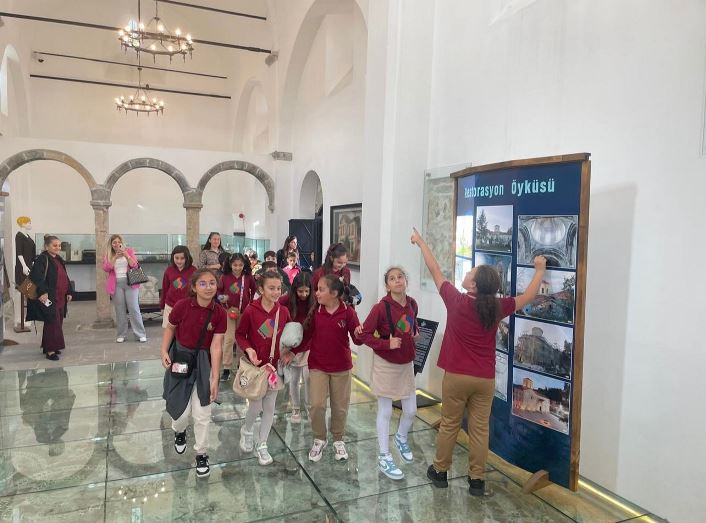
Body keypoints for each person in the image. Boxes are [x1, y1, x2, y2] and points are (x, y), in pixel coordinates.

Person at [411, 227, 546, 497]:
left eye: (470, 273)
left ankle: (440, 471)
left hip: (457, 376)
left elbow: (435, 269)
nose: (467, 274)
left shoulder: (456, 300)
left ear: (473, 285)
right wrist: (540, 270)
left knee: (450, 423)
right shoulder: (498, 307)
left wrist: (421, 242)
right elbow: (529, 296)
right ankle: (477, 480)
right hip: (484, 378)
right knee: (480, 429)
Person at [284, 274, 362, 462]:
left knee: (339, 407)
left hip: (341, 368)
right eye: (316, 289)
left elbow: (357, 339)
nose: (316, 293)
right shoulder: (316, 312)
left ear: (334, 293)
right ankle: (319, 438)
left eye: (320, 289)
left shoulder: (348, 312)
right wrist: (293, 352)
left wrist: (360, 333)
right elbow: (306, 337)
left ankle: (338, 439)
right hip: (318, 366)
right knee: (317, 405)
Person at [161, 268, 225, 479]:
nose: (208, 287)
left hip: (204, 363)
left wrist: (215, 377)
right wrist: (163, 350)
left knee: (202, 413)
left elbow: (216, 346)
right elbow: (170, 328)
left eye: (212, 283)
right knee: (180, 413)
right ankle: (179, 431)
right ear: (195, 287)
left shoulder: (219, 313)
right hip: (181, 358)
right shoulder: (182, 306)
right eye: (203, 283)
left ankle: (202, 453)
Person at [358, 266, 419, 480]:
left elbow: (412, 324)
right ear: (387, 285)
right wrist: (386, 344)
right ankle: (384, 456)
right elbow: (364, 335)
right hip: (385, 364)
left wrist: (415, 331)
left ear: (406, 280)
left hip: (406, 364)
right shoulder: (380, 308)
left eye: (400, 277)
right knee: (385, 411)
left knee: (411, 410)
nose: (397, 281)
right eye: (392, 278)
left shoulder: (412, 304)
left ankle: (400, 437)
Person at [235, 271, 292, 466]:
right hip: (256, 368)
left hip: (274, 368)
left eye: (279, 288)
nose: (276, 292)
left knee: (269, 407)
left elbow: (288, 336)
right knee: (255, 405)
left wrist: (288, 352)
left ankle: (262, 444)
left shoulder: (283, 312)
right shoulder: (251, 310)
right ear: (261, 289)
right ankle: (247, 430)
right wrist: (249, 349)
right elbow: (240, 334)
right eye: (271, 288)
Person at [26, 235, 73, 361]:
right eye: (55, 245)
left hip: (61, 297)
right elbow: (37, 276)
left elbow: (65, 276)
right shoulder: (42, 259)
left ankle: (50, 346)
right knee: (52, 322)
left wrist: (69, 291)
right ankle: (50, 351)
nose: (58, 248)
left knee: (58, 322)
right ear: (47, 247)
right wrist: (42, 292)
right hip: (50, 297)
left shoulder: (58, 259)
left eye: (59, 245)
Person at [279, 271, 315, 423]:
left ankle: (309, 407)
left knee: (308, 378)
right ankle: (295, 408)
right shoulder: (286, 300)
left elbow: (312, 331)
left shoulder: (314, 302)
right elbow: (274, 308)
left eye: (307, 291)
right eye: (300, 291)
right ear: (294, 290)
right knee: (294, 379)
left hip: (308, 344)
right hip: (291, 345)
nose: (304, 294)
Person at [217, 253, 256, 382]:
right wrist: (221, 298)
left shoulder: (248, 277)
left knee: (241, 340)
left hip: (244, 312)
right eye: (235, 265)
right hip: (228, 311)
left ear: (244, 265)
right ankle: (226, 368)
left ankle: (241, 365)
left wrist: (251, 303)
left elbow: (254, 290)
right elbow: (218, 292)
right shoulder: (225, 277)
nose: (237, 267)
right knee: (228, 339)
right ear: (230, 264)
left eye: (240, 265)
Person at [102, 234, 147, 343]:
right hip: (116, 285)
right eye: (114, 242)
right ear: (111, 244)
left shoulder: (129, 251)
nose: (117, 244)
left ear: (122, 243)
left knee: (134, 308)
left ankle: (140, 334)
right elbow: (106, 268)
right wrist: (114, 257)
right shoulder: (109, 254)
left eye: (119, 242)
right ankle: (121, 334)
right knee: (119, 310)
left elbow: (135, 265)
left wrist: (126, 255)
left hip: (130, 283)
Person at [160, 245, 196, 329]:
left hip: (187, 307)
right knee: (168, 331)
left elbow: (196, 289)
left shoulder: (194, 270)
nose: (179, 261)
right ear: (173, 257)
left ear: (187, 258)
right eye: (176, 258)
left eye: (182, 258)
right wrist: (162, 307)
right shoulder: (169, 270)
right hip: (170, 306)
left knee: (185, 330)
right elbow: (165, 289)